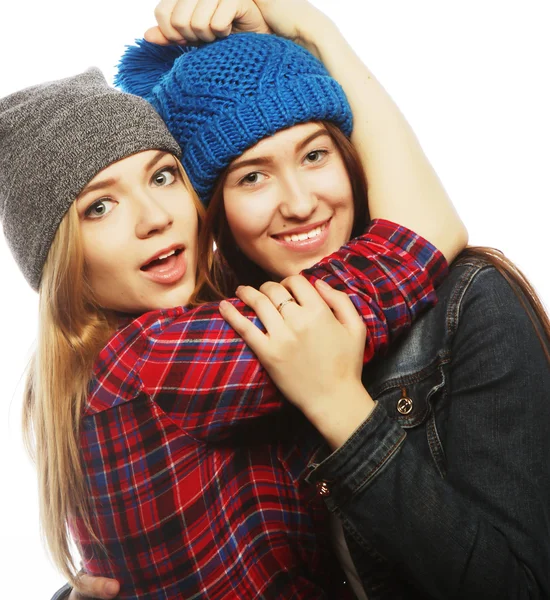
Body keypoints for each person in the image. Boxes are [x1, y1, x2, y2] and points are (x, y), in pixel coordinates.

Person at [63, 0, 550, 598]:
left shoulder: (466, 304)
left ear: (350, 157)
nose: (298, 203)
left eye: (315, 155)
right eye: (251, 176)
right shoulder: (218, 346)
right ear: (208, 211)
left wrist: (342, 411)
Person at [0, 60, 460, 600]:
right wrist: (315, 26)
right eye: (99, 207)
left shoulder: (86, 372)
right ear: (57, 259)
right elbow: (419, 242)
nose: (154, 217)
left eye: (162, 176)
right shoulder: (151, 357)